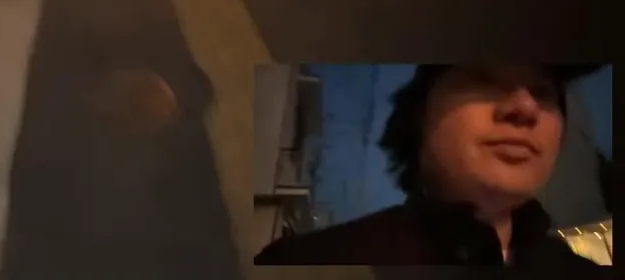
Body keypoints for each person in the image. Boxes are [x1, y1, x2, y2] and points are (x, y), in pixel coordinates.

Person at [256, 65, 608, 271]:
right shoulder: (305, 261)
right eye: (484, 79)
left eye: (544, 92)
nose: (526, 107)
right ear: (419, 120)